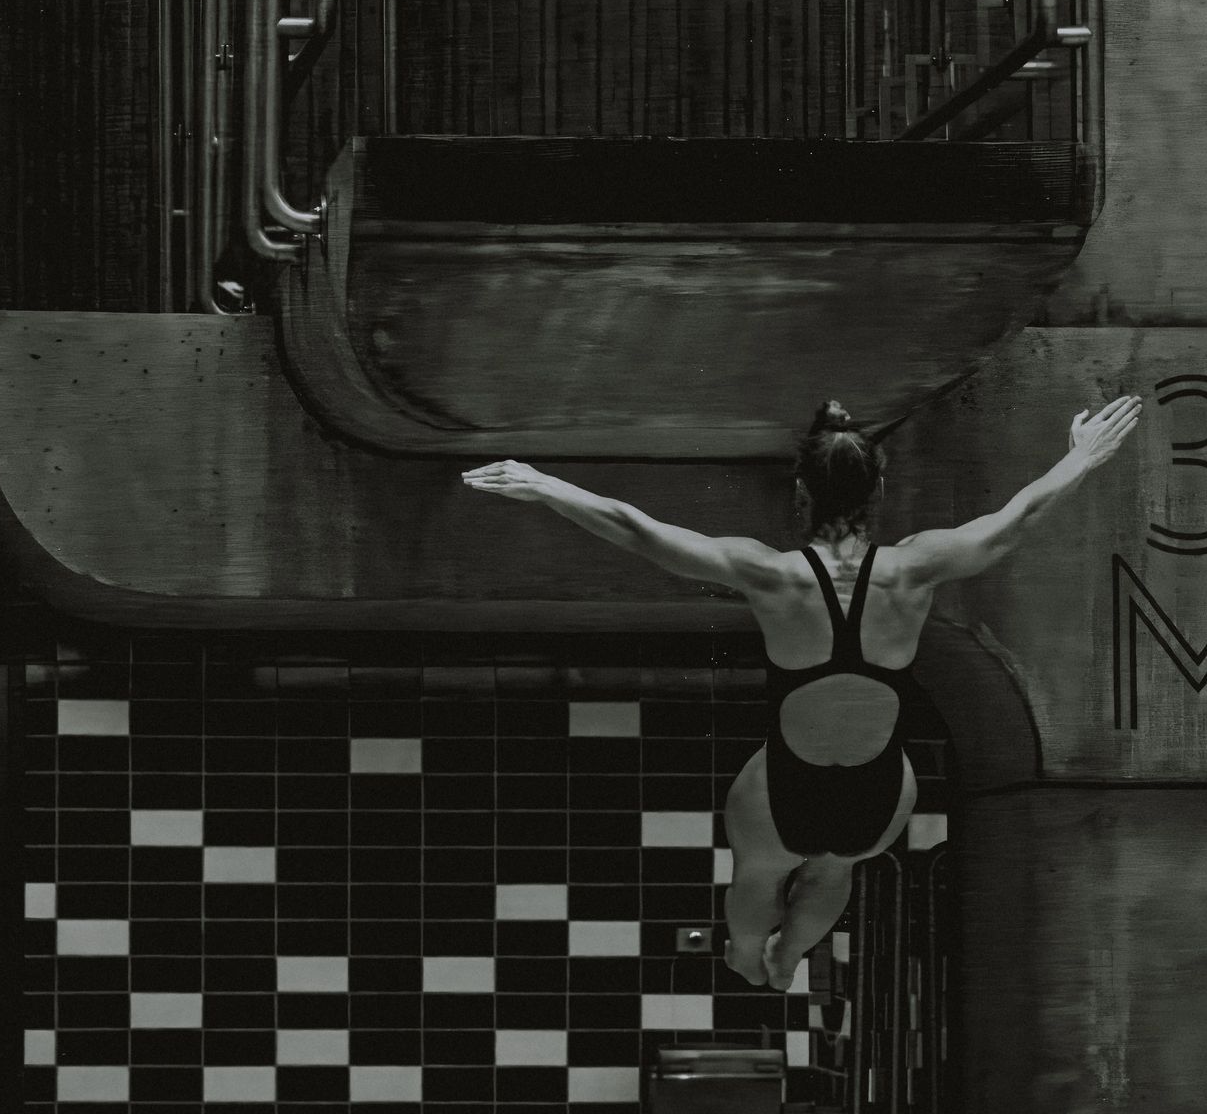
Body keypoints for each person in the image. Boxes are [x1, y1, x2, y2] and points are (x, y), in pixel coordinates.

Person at [462, 393, 1142, 989]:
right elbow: (1020, 515)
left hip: (787, 785)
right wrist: (1081, 455)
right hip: (879, 792)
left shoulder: (770, 574)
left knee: (759, 874)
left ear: (800, 496)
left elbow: (639, 530)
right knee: (837, 866)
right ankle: (791, 957)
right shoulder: (914, 569)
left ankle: (750, 955)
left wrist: (545, 485)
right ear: (879, 491)